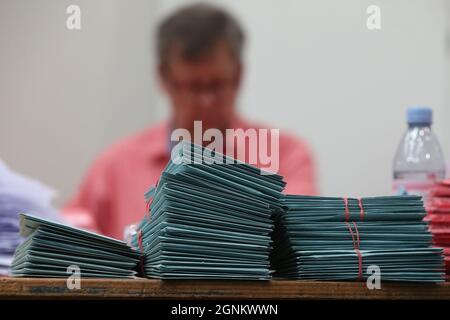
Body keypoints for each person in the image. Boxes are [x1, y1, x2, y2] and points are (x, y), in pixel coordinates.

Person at [63, 3, 317, 239]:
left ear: (238, 75)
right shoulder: (113, 167)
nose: (206, 101)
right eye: (192, 87)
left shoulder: (286, 156)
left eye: (217, 86)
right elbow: (68, 239)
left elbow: (297, 240)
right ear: (163, 79)